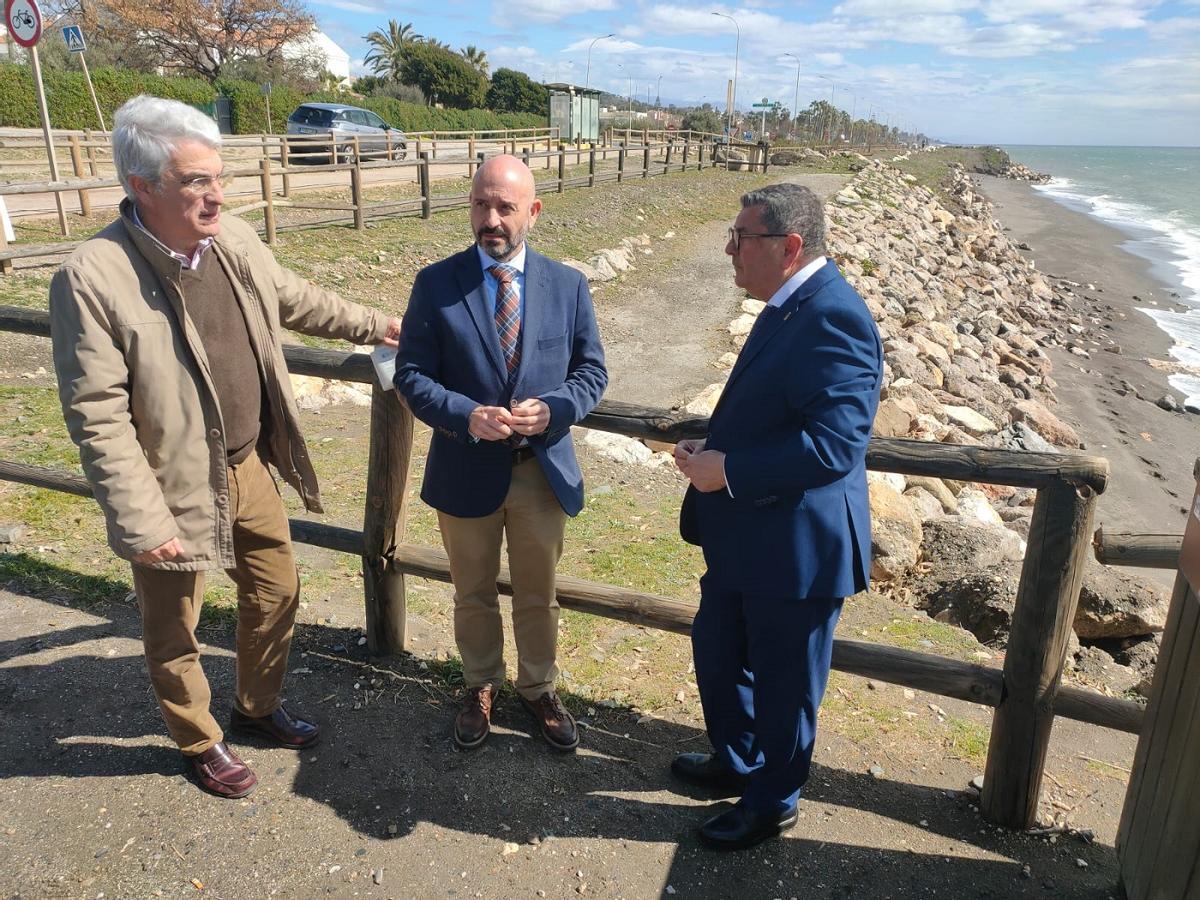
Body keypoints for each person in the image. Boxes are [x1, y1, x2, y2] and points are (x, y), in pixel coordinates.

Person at [49, 95, 401, 799]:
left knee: (276, 589)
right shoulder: (93, 277)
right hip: (171, 483)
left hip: (246, 463)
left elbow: (296, 298)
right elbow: (97, 415)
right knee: (174, 625)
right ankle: (199, 739)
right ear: (140, 185)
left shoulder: (231, 238)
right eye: (196, 181)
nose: (216, 194)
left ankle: (256, 706)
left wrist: (382, 324)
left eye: (219, 177)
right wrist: (140, 521)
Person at [672, 183, 882, 849]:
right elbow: (776, 411)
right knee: (720, 651)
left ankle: (773, 801)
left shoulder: (834, 315)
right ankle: (736, 763)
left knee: (786, 684)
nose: (729, 249)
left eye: (741, 238)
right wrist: (719, 446)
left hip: (797, 549)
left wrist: (729, 470)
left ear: (789, 247)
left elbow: (837, 444)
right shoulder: (787, 301)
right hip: (750, 533)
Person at [394, 155, 607, 752]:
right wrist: (467, 415)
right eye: (481, 204)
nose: (490, 218)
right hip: (465, 471)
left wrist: (557, 409)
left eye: (505, 207)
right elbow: (411, 375)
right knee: (472, 591)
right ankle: (479, 683)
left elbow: (591, 371)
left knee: (540, 593)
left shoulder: (567, 285)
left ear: (532, 212)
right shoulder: (435, 284)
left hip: (540, 472)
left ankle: (538, 689)